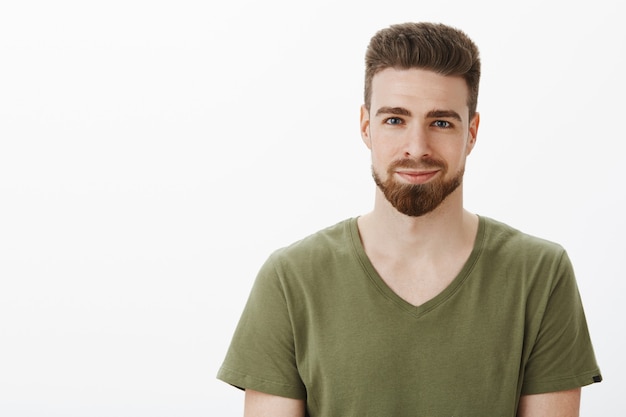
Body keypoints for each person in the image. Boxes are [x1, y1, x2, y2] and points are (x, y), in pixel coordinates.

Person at [217, 22, 602, 416]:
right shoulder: (291, 279)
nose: (417, 148)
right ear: (366, 127)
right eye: (395, 120)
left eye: (441, 123)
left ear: (471, 132)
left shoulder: (539, 274)